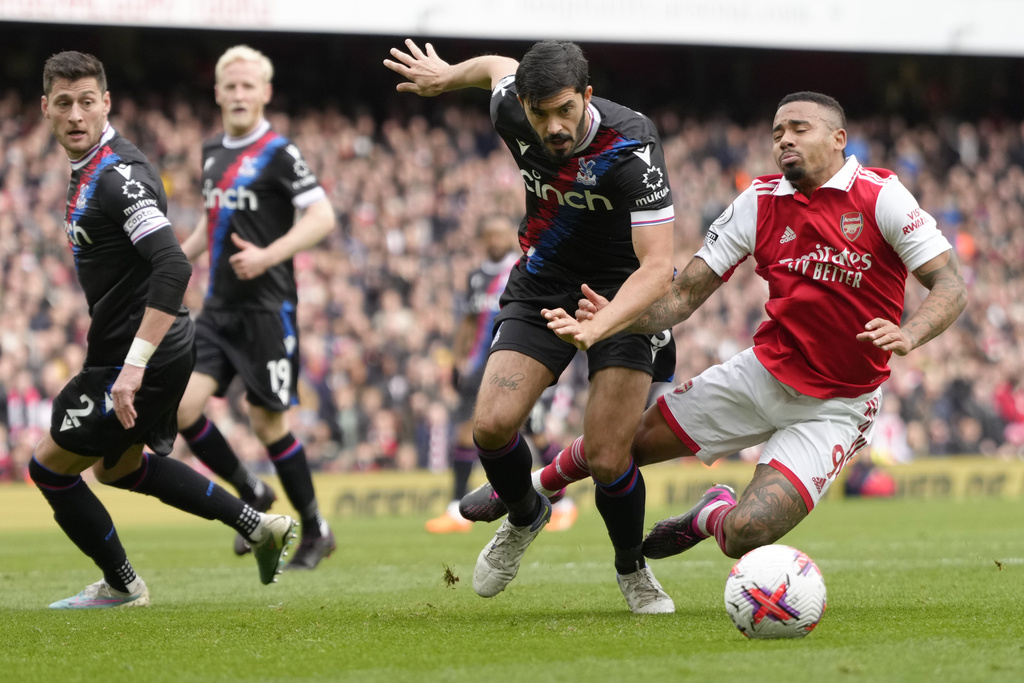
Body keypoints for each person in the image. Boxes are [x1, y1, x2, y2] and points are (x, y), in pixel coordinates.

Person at [540, 91, 967, 562]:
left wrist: (910, 332)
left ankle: (710, 514)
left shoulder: (880, 195)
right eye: (777, 133)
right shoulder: (759, 201)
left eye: (799, 129)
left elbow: (949, 284)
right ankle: (539, 486)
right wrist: (613, 318)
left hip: (837, 406)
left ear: (838, 139)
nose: (784, 139)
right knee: (621, 447)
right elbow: (683, 296)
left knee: (745, 534)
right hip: (762, 375)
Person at [386, 39, 677, 613]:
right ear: (522, 104)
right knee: (490, 427)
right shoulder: (508, 106)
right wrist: (448, 78)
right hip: (544, 280)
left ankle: (632, 569)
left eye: (565, 110)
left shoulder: (633, 145)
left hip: (621, 293)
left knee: (608, 455)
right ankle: (525, 515)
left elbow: (658, 267)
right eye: (539, 113)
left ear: (587, 97)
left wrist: (598, 328)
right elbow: (496, 67)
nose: (553, 126)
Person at [32, 50, 297, 609]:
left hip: (137, 351)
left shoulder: (116, 176)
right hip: (142, 344)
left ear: (106, 103)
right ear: (47, 110)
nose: (76, 114)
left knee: (49, 468)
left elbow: (174, 264)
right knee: (119, 468)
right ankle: (256, 524)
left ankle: (123, 586)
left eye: (87, 102)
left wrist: (132, 368)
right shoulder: (94, 170)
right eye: (64, 104)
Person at [177, 45, 336, 570]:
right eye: (231, 86)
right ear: (218, 92)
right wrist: (171, 264)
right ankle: (253, 492)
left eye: (249, 86)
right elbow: (209, 224)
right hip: (219, 310)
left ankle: (315, 529)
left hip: (268, 311)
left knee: (267, 425)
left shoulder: (279, 151)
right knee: (183, 408)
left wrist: (268, 255)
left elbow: (322, 217)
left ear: (265, 93)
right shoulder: (211, 153)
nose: (240, 94)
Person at [425, 213, 520, 534]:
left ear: (510, 236)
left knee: (523, 430)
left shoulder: (521, 270)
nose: (495, 241)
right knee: (467, 431)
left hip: (513, 361)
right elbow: (468, 321)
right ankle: (457, 507)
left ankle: (554, 501)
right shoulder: (477, 277)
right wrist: (455, 360)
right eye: (489, 235)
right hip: (478, 365)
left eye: (500, 234)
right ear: (482, 241)